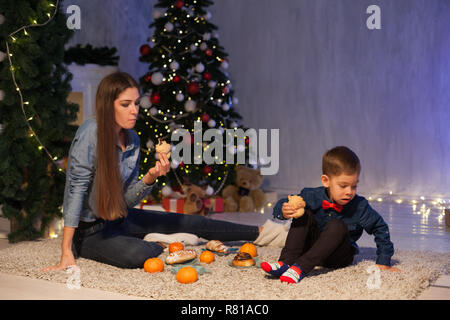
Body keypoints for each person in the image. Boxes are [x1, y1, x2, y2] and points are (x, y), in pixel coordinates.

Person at [41, 71, 284, 271]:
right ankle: (161, 241)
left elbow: (125, 200)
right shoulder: (89, 135)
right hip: (91, 233)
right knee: (137, 255)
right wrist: (65, 251)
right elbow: (74, 193)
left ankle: (263, 232)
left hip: (120, 219)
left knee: (187, 220)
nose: (134, 110)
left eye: (136, 103)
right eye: (125, 105)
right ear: (108, 106)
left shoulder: (133, 139)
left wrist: (151, 177)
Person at [261, 146, 400, 284]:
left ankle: (300, 267)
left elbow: (380, 227)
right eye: (343, 186)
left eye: (354, 186)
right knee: (303, 213)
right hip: (311, 249)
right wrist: (284, 211)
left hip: (338, 257)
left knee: (337, 225)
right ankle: (286, 262)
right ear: (326, 181)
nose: (349, 192)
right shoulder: (312, 195)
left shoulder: (359, 206)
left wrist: (383, 260)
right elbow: (284, 202)